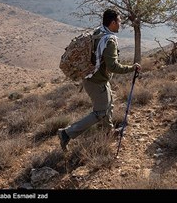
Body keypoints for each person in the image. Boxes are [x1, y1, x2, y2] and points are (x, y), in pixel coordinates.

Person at [58, 8, 141, 151]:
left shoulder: (99, 31)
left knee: (109, 105)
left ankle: (108, 133)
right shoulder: (109, 41)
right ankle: (66, 133)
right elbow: (113, 66)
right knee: (100, 112)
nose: (121, 24)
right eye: (119, 21)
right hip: (96, 82)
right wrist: (132, 68)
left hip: (95, 78)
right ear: (113, 22)